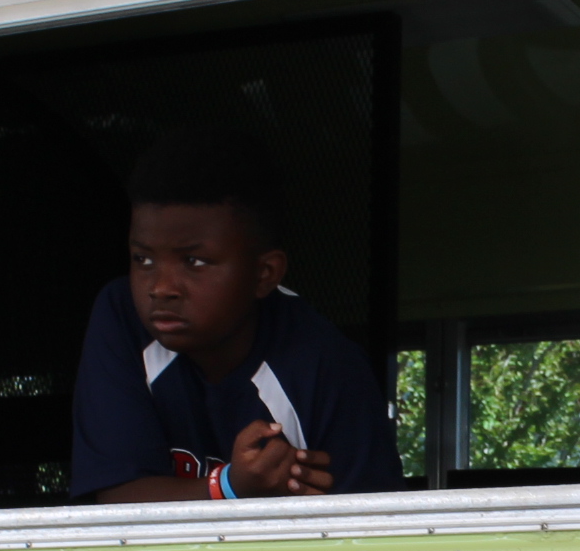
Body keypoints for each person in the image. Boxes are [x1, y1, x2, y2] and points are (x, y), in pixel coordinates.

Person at [69, 124, 394, 502]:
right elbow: (113, 501)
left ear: (264, 274)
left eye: (194, 261)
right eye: (143, 258)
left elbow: (370, 530)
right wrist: (228, 488)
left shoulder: (326, 366)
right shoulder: (122, 316)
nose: (161, 287)